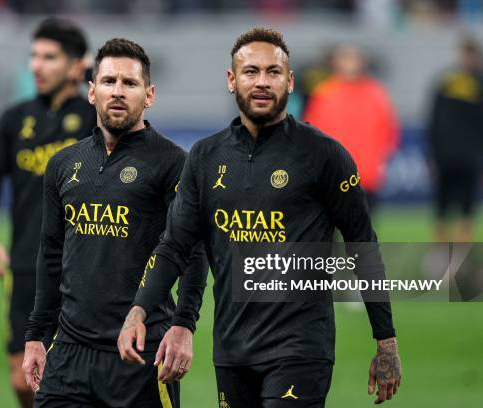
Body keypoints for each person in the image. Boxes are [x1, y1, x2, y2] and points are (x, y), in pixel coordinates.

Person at [118, 27, 403, 407]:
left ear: (290, 81)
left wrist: (386, 343)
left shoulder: (324, 155)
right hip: (232, 350)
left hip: (300, 348)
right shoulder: (206, 157)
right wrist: (139, 310)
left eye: (273, 72)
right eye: (251, 72)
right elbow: (174, 247)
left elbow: (362, 246)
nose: (262, 82)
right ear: (232, 81)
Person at [22, 38, 207, 408]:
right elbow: (51, 255)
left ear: (149, 95)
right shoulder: (62, 165)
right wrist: (36, 334)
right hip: (69, 355)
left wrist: (183, 325)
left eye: (129, 83)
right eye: (108, 82)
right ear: (92, 92)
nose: (118, 92)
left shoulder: (173, 163)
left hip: (140, 352)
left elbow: (193, 252)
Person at [0, 18, 96, 408]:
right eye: (34, 56)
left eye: (49, 57)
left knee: (74, 376)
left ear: (77, 66)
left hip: (86, 264)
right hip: (26, 263)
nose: (36, 66)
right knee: (22, 379)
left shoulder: (97, 117)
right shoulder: (13, 119)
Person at [303, 45, 399, 212]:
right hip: (331, 174)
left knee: (361, 231)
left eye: (353, 59)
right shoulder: (324, 93)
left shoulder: (375, 94)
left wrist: (380, 159)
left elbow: (389, 130)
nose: (350, 64)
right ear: (336, 64)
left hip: (365, 175)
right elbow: (310, 133)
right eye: (345, 59)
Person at [427, 36, 483, 242]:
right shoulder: (445, 82)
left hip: (468, 156)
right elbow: (433, 120)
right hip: (447, 154)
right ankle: (443, 252)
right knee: (443, 205)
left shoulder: (469, 82)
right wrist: (432, 153)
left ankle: (460, 256)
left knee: (465, 206)